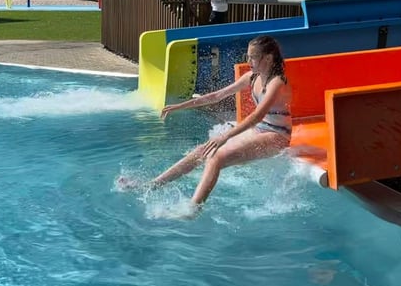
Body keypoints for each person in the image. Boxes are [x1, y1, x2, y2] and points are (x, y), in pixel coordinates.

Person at [121, 35, 292, 210]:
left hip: (277, 136)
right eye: (247, 56)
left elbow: (256, 116)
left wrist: (225, 136)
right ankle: (153, 185)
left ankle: (192, 209)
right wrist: (180, 105)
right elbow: (216, 96)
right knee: (202, 151)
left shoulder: (276, 82)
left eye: (253, 57)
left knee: (217, 157)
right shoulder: (252, 77)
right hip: (260, 130)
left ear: (268, 58)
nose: (248, 61)